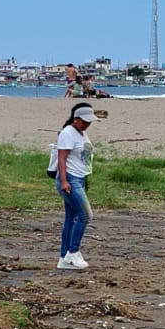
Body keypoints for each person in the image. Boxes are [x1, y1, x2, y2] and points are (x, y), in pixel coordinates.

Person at [55, 105, 98, 269]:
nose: (87, 124)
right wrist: (64, 181)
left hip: (79, 178)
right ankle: (73, 252)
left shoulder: (81, 133)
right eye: (85, 121)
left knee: (71, 218)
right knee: (86, 215)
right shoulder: (67, 133)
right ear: (76, 119)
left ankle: (64, 257)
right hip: (70, 179)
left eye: (89, 122)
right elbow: (62, 158)